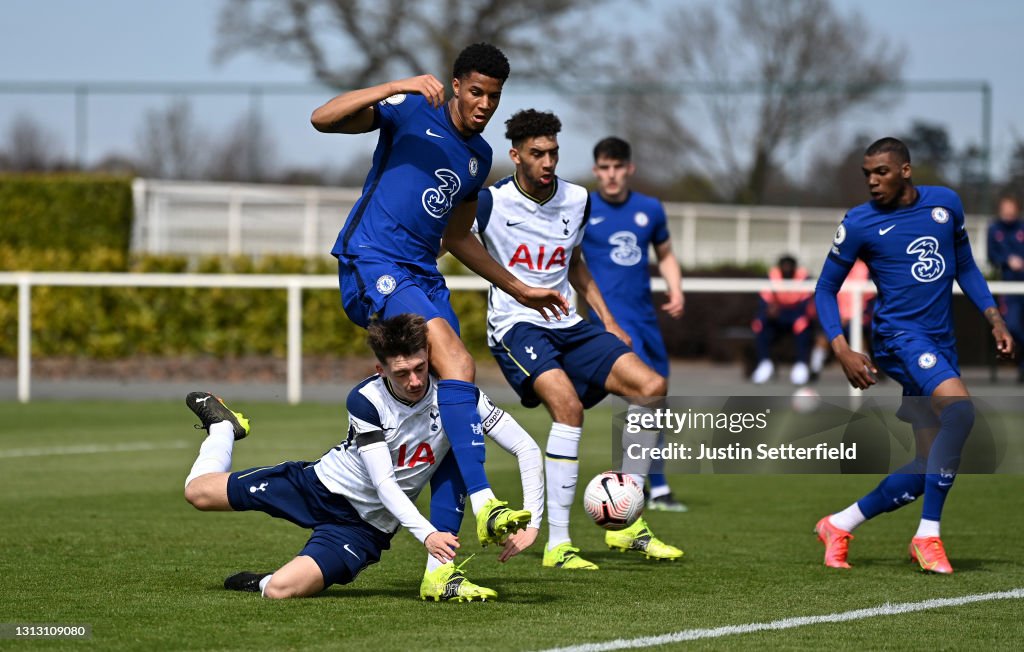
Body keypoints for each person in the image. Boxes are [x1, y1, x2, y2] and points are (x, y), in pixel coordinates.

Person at [311, 43, 565, 545]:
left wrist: (520, 288)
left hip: (424, 276)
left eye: (494, 97)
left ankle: (440, 570)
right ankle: (485, 501)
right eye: (476, 92)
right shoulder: (411, 111)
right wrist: (395, 85)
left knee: (450, 406)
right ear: (455, 85)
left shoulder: (479, 158)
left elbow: (456, 238)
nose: (485, 105)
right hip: (374, 260)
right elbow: (322, 118)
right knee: (458, 365)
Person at [182, 313, 544, 601]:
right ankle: (224, 428)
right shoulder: (366, 400)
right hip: (318, 485)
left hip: (364, 528)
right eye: (401, 373)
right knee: (197, 493)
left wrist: (534, 523)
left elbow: (526, 448)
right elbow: (383, 481)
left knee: (281, 590)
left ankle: (264, 580)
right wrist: (428, 535)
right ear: (380, 370)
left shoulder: (459, 399)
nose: (415, 381)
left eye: (420, 368)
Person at [474, 109, 684, 570]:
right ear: (515, 156)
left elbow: (576, 262)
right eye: (537, 153)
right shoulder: (490, 203)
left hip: (569, 323)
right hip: (516, 326)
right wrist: (514, 289)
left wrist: (607, 319)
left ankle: (626, 522)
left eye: (553, 152)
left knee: (651, 388)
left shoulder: (576, 199)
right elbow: (454, 241)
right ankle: (559, 544)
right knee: (567, 408)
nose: (548, 161)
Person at [813, 137, 1014, 574]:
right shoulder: (860, 222)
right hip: (899, 339)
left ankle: (838, 524)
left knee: (929, 465)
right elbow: (825, 288)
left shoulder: (946, 204)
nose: (872, 181)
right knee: (960, 412)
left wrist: (994, 318)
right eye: (867, 173)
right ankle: (928, 537)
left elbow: (966, 265)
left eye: (881, 172)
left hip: (940, 341)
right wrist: (841, 347)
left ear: (905, 170)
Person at [581, 136, 687, 513]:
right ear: (596, 171)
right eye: (604, 168)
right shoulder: (583, 206)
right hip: (608, 324)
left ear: (629, 169)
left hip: (646, 321)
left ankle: (650, 484)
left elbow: (667, 254)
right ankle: (641, 486)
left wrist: (676, 288)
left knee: (657, 400)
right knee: (643, 399)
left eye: (617, 168)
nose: (611, 175)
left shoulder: (650, 209)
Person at [750, 255, 814, 385]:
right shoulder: (771, 276)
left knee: (803, 325)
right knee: (760, 324)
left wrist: (803, 316)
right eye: (784, 266)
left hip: (796, 313)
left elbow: (807, 303)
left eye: (789, 266)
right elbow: (764, 300)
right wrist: (769, 308)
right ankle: (765, 363)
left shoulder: (804, 278)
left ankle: (801, 365)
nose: (787, 269)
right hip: (778, 313)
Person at [986, 194, 1024, 382]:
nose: (1008, 212)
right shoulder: (994, 229)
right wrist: (1007, 261)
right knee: (1013, 326)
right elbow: (992, 256)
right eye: (1004, 208)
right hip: (1009, 289)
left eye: (1011, 207)